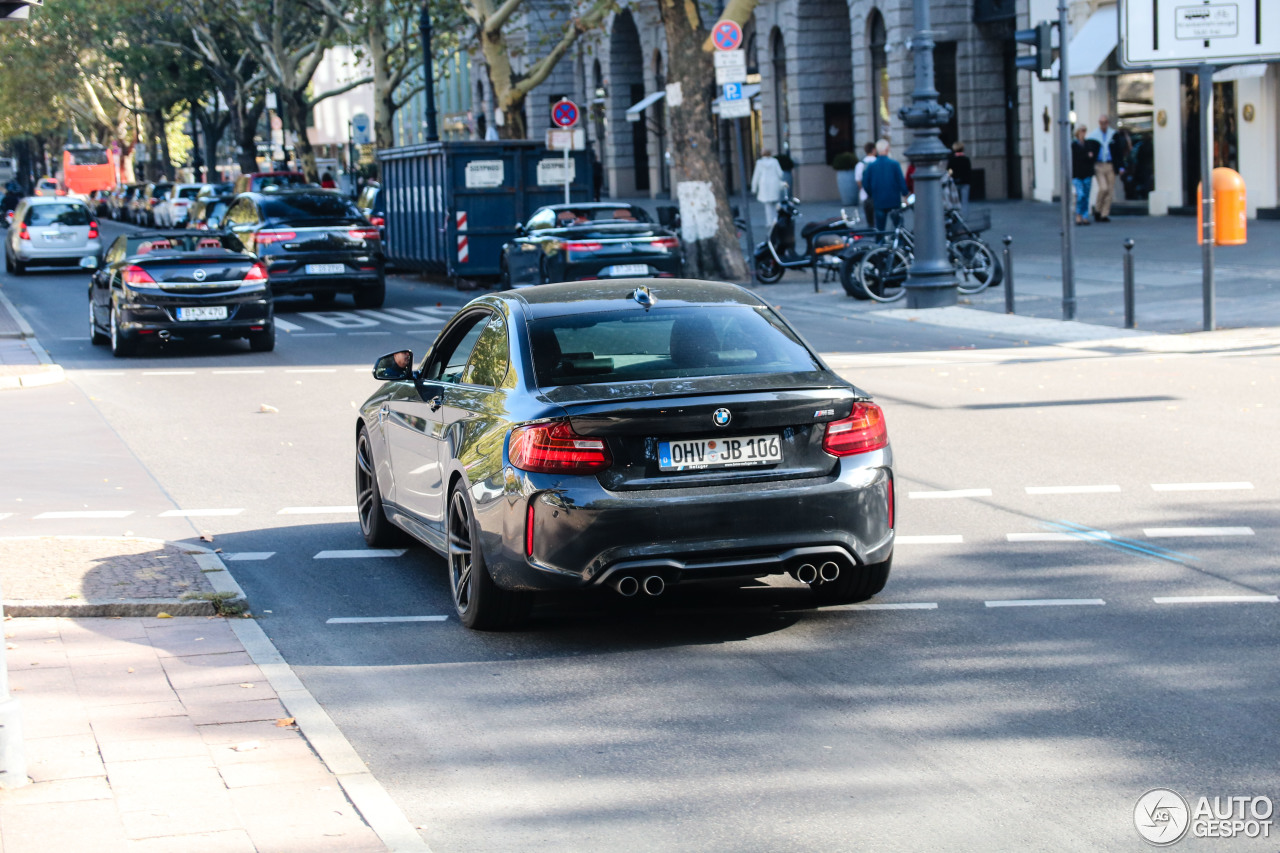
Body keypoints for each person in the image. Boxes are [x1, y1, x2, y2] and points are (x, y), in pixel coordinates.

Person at [860, 138, 908, 231]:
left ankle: (880, 243)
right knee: (898, 227)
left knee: (880, 228)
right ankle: (900, 243)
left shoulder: (871, 165)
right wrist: (905, 194)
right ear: (887, 149)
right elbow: (901, 181)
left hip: (879, 200)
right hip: (893, 200)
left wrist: (872, 194)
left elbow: (865, 183)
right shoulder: (894, 164)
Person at [1086, 115, 1125, 222]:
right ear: (1099, 123)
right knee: (1103, 188)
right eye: (1101, 122)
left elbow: (1118, 152)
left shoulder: (1113, 135)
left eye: (1105, 122)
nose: (1103, 125)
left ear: (1108, 123)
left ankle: (1104, 214)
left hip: (1110, 165)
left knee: (1110, 190)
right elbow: (1089, 149)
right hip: (1099, 165)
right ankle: (1097, 209)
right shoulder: (1093, 136)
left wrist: (1121, 166)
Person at [750, 149, 785, 234]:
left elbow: (756, 176)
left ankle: (769, 222)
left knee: (767, 206)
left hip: (764, 185)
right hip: (774, 184)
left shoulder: (759, 163)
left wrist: (754, 188)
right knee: (775, 204)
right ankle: (776, 220)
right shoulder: (775, 162)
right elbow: (780, 173)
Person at [1071, 125, 1095, 226]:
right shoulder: (1074, 145)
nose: (1083, 133)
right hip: (1077, 174)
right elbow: (1076, 158)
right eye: (1082, 131)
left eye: (1085, 131)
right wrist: (1086, 156)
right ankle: (1078, 214)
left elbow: (1091, 157)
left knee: (1086, 196)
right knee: (1080, 195)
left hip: (1086, 173)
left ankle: (1085, 216)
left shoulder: (1088, 144)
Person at [853, 141, 876, 226]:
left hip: (864, 195)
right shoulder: (877, 162)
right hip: (877, 194)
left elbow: (858, 180)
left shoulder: (860, 164)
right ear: (874, 150)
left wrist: (862, 189)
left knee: (869, 219)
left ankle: (870, 231)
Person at [947, 141, 972, 216]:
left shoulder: (952, 160)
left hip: (955, 182)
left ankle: (957, 216)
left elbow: (949, 171)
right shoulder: (966, 159)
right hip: (965, 182)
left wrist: (951, 176)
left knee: (955, 201)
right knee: (965, 201)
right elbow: (968, 171)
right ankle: (964, 216)